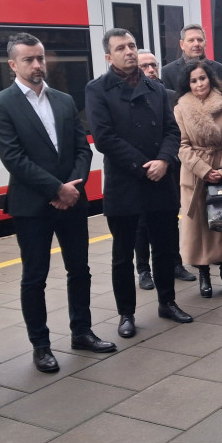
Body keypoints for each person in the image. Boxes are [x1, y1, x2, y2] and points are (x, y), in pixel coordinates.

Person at [0, 33, 115, 373]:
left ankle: (82, 331)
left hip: (72, 200)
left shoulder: (62, 99)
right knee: (35, 277)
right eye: (29, 59)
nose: (37, 65)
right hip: (32, 206)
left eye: (40, 58)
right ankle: (40, 346)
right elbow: (14, 158)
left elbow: (82, 148)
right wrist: (57, 189)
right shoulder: (0, 104)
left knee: (80, 270)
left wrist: (72, 186)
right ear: (13, 64)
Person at [85, 29, 193, 339]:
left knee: (164, 247)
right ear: (109, 56)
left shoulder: (157, 89)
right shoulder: (97, 90)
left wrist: (164, 161)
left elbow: (173, 132)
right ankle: (126, 314)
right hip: (125, 183)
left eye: (132, 46)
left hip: (161, 181)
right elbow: (104, 138)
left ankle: (167, 302)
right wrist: (144, 167)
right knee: (122, 254)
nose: (129, 52)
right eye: (121, 48)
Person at [174, 60, 222, 298]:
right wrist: (204, 170)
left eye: (202, 78)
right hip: (196, 176)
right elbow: (182, 146)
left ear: (210, 79)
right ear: (188, 84)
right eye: (193, 80)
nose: (198, 84)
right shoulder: (181, 107)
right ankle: (203, 274)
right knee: (199, 229)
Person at [135, 50, 196, 289]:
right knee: (141, 225)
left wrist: (166, 159)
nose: (151, 70)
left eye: (153, 65)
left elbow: (177, 132)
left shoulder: (170, 96)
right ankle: (143, 269)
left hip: (169, 167)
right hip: (140, 170)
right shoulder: (129, 96)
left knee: (171, 219)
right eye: (145, 66)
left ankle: (175, 263)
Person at [160, 24, 222, 93]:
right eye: (191, 40)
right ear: (182, 44)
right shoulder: (168, 72)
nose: (196, 44)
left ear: (205, 43)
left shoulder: (220, 70)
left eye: (200, 40)